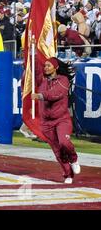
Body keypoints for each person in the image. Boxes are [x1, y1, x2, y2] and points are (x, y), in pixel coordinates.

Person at [31, 55, 81, 184]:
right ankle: (68, 174)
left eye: (49, 65)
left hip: (61, 119)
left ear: (56, 67)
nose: (46, 68)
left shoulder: (63, 80)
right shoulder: (42, 80)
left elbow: (54, 94)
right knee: (57, 150)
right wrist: (31, 57)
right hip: (46, 123)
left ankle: (74, 159)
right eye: (45, 65)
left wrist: (40, 95)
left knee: (64, 143)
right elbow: (33, 72)